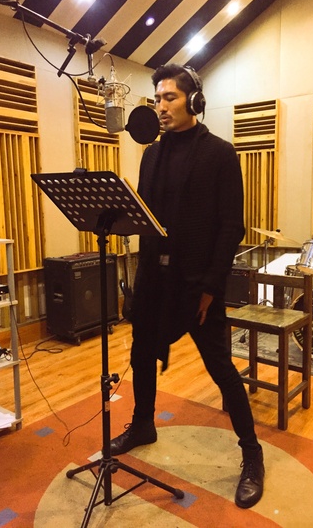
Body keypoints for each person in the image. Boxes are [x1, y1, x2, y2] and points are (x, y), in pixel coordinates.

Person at [111, 63, 264, 509]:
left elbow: (231, 226)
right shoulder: (151, 155)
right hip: (154, 279)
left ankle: (252, 454)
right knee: (141, 353)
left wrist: (211, 287)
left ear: (193, 101)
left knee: (221, 369)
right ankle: (143, 424)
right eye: (157, 98)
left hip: (197, 283)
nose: (161, 106)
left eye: (170, 97)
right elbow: (147, 219)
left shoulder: (220, 153)